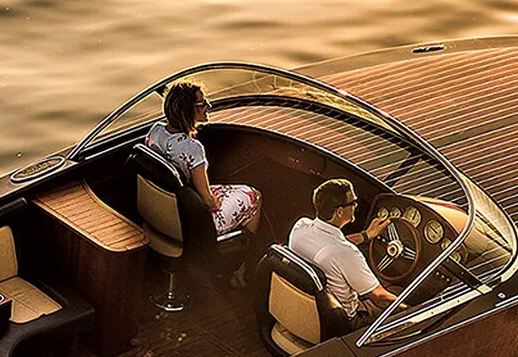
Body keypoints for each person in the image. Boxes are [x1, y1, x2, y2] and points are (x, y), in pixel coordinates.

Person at [145, 81, 262, 288]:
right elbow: (208, 201)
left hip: (162, 209)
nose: (208, 106)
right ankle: (237, 269)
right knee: (254, 196)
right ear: (188, 111)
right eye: (202, 103)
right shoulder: (193, 148)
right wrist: (217, 202)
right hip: (192, 218)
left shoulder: (155, 131)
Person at [288, 178, 400, 329]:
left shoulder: (300, 227)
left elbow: (330, 243)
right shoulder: (346, 253)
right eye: (353, 202)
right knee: (398, 291)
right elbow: (379, 297)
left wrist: (366, 235)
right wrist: (411, 310)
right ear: (339, 212)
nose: (356, 205)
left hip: (313, 307)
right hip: (348, 321)